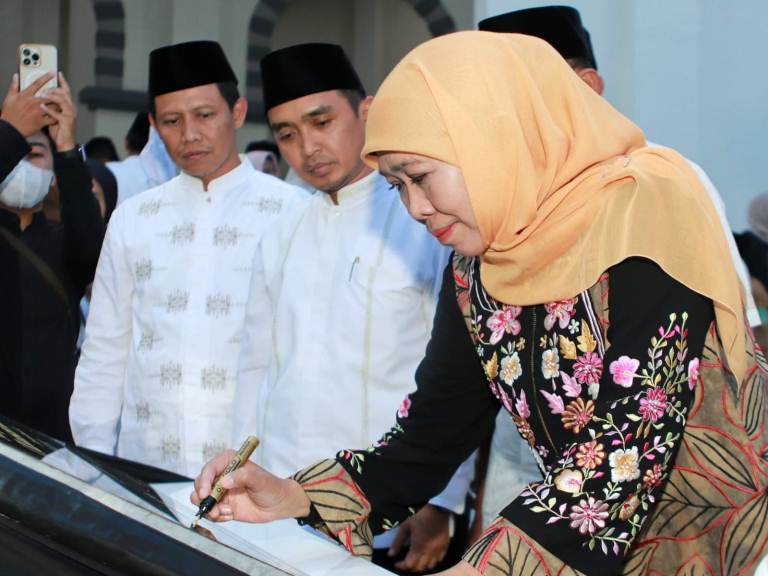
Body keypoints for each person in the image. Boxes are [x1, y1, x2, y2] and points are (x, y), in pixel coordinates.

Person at [193, 32, 767, 575]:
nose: (416, 207)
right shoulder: (479, 264)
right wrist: (293, 496)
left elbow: (616, 461)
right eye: (397, 186)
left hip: (737, 546)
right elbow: (429, 437)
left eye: (420, 176)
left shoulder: (641, 213)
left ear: (490, 142)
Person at [474, 4, 766, 533]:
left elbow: (736, 342)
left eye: (520, 98)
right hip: (532, 473)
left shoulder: (656, 185)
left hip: (660, 493)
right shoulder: (491, 205)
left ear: (587, 85)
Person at [232, 42, 473, 574]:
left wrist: (439, 503)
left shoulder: (430, 222)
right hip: (284, 506)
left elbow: (466, 377)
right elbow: (255, 369)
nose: (308, 147)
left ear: (366, 112)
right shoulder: (282, 231)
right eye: (287, 134)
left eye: (321, 121)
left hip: (390, 511)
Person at [70, 41, 302, 477]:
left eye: (205, 115)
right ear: (155, 126)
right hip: (146, 465)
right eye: (173, 121)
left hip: (260, 473)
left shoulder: (293, 212)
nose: (189, 134)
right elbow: (104, 350)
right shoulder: (135, 218)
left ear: (236, 112)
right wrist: (94, 465)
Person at [1, 72, 104, 442]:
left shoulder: (64, 242)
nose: (23, 164)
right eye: (16, 152)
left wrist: (67, 150)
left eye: (36, 154)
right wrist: (8, 131)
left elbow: (93, 252)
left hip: (52, 436)